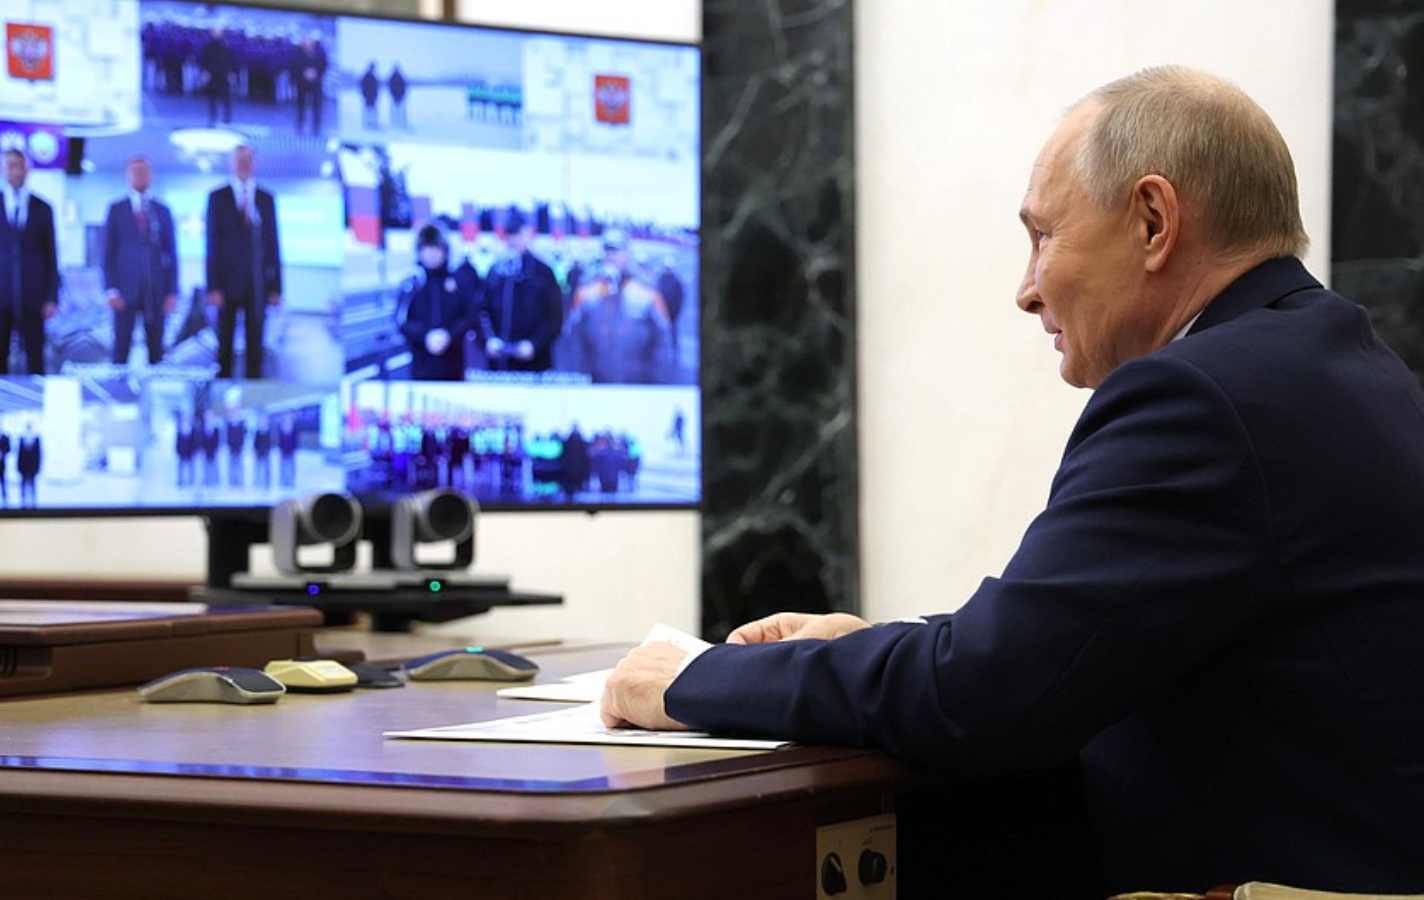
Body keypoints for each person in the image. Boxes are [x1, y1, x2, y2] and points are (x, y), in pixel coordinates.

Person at [601, 66, 1424, 894]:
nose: (1026, 290)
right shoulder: (1345, 365)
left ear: (1153, 221)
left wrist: (697, 680)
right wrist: (865, 647)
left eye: (1043, 236)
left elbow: (985, 696)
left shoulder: (1198, 397)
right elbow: (1071, 644)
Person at [0, 149, 59, 375]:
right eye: (11, 166)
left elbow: (51, 256)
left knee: (36, 360)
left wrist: (51, 297)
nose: (17, 171)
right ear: (2, 169)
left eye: (21, 166)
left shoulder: (43, 208)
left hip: (34, 297)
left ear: (28, 170)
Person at [206, 144, 282, 379]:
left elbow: (273, 244)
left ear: (255, 164)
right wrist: (212, 287)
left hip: (257, 285)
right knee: (225, 344)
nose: (244, 164)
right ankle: (223, 386)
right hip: (226, 285)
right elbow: (211, 245)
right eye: (240, 160)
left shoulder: (265, 199)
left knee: (255, 344)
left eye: (248, 159)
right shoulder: (218, 198)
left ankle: (253, 387)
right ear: (232, 164)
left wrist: (276, 287)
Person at [569, 228, 673, 383]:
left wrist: (658, 383)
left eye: (616, 251)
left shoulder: (647, 292)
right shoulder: (585, 292)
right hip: (597, 382)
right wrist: (578, 380)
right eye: (607, 251)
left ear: (627, 253)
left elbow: (663, 340)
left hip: (638, 383)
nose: (611, 256)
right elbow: (574, 339)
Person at [102, 156, 178, 366]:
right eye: (136, 172)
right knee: (121, 348)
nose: (140, 176)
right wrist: (111, 289)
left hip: (155, 290)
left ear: (151, 176)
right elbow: (108, 253)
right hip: (124, 291)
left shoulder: (161, 211)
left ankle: (156, 386)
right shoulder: (117, 209)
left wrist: (172, 291)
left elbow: (171, 254)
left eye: (144, 172)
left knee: (156, 350)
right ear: (128, 176)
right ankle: (118, 386)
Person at [480, 208, 563, 373]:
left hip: (536, 362)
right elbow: (481, 311)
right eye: (510, 235)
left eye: (518, 234)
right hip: (500, 363)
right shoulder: (496, 271)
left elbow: (555, 318)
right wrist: (489, 339)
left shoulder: (543, 272)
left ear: (528, 234)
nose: (514, 240)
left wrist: (535, 344)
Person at [396, 224, 477, 380]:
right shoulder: (412, 284)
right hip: (421, 367)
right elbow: (401, 320)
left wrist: (449, 335)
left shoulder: (458, 281)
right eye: (426, 249)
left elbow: (469, 316)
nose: (431, 254)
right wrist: (425, 336)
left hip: (454, 366)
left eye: (436, 248)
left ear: (445, 251)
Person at [291, 34, 327, 134]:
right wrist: (303, 73)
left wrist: (316, 73)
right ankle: (300, 123)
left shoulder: (318, 54)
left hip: (315, 83)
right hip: (301, 83)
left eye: (309, 43)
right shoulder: (297, 54)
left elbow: (323, 65)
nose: (307, 45)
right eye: (305, 43)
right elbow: (294, 66)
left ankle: (316, 125)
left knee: (316, 104)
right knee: (300, 104)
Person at [199, 26, 233, 126]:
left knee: (226, 97)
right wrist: (204, 72)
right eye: (215, 32)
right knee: (212, 97)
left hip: (224, 74)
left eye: (219, 32)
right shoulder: (207, 46)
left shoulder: (226, 46)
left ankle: (227, 116)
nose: (217, 34)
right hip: (212, 74)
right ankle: (212, 117)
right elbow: (204, 60)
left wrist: (231, 73)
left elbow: (230, 60)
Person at [15, 421, 41, 509]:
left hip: (33, 466)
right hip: (23, 466)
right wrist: (18, 466)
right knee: (23, 484)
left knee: (33, 484)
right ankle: (22, 502)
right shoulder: (22, 438)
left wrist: (38, 466)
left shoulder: (36, 438)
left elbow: (39, 454)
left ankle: (33, 502)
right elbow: (19, 454)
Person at [359, 62, 381, 130]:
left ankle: (373, 123)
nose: (374, 69)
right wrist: (365, 95)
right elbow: (363, 86)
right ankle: (367, 123)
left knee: (373, 110)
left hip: (373, 97)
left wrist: (376, 95)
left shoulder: (373, 76)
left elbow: (376, 87)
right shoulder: (367, 76)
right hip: (368, 97)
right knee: (368, 110)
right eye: (373, 68)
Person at [387, 63, 408, 129]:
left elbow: (403, 86)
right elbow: (391, 87)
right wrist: (393, 94)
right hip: (396, 96)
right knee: (395, 110)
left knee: (400, 110)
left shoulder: (400, 76)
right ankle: (395, 122)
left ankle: (401, 122)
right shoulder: (393, 77)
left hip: (399, 96)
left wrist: (403, 94)